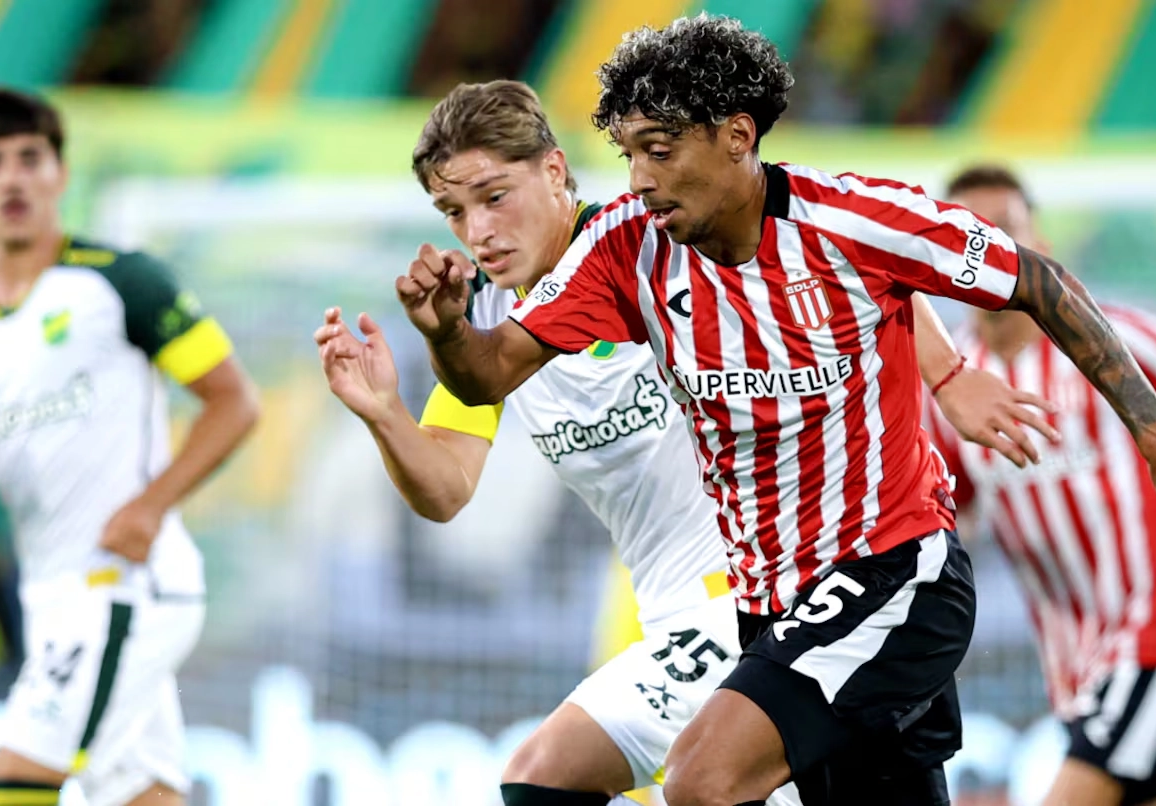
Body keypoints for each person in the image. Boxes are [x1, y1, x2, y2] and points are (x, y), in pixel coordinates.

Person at [382, 15, 1156, 805]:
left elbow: (1036, 279)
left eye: (660, 150)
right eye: (630, 155)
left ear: (736, 137)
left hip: (894, 574)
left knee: (701, 779)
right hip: (772, 604)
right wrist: (446, 330)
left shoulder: (856, 222)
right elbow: (488, 375)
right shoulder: (625, 250)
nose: (639, 179)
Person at [314, 79, 1058, 806]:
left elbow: (833, 263)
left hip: (769, 595)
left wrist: (950, 374)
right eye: (453, 212)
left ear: (553, 171)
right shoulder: (487, 328)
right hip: (665, 613)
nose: (477, 231)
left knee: (545, 775)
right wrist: (385, 414)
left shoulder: (660, 237)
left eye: (493, 197)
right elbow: (445, 488)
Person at [0, 88, 260, 806]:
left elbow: (234, 400)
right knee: (142, 795)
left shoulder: (120, 282)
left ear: (59, 172)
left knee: (15, 786)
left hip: (124, 585)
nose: (12, 178)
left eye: (30, 158)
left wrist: (150, 506)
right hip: (49, 595)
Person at [927, 165, 1156, 806]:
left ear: (1040, 248)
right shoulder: (955, 384)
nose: (981, 249)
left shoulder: (1113, 340)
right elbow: (951, 511)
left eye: (1001, 231)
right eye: (963, 234)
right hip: (1072, 657)